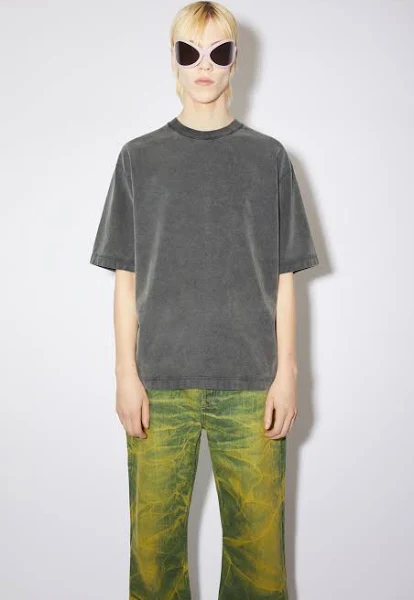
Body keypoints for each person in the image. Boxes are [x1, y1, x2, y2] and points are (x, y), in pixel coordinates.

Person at [89, 2, 319, 598]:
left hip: (252, 386)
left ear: (236, 59)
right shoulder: (139, 158)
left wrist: (288, 373)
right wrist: (125, 376)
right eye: (190, 52)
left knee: (259, 565)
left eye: (219, 52)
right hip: (159, 387)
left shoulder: (269, 158)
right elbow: (125, 277)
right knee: (154, 560)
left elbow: (285, 276)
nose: (204, 66)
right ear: (173, 58)